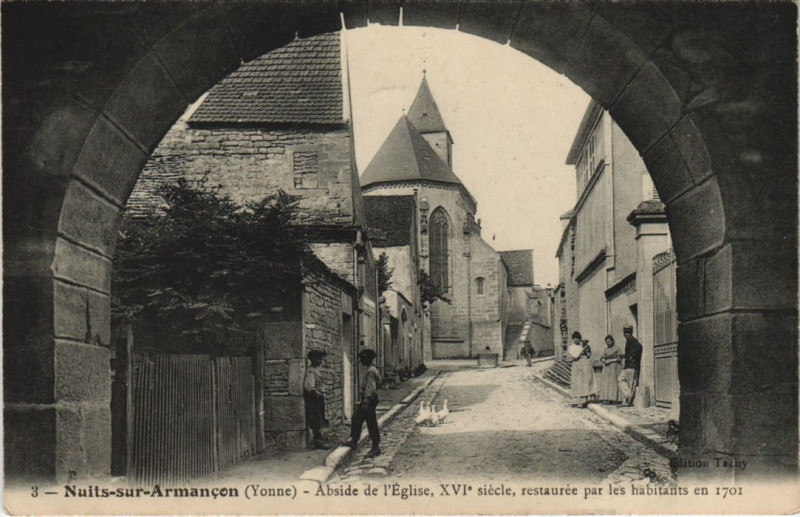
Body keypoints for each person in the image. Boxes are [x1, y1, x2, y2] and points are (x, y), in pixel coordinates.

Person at [341, 349, 383, 458]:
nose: (361, 361)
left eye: (362, 358)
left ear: (367, 359)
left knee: (366, 421)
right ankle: (358, 441)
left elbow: (371, 388)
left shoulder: (370, 371)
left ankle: (372, 446)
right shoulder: (373, 369)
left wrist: (365, 401)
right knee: (362, 419)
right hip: (371, 399)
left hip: (368, 399)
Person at [303, 349, 328, 449]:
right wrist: (316, 393)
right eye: (318, 358)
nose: (321, 360)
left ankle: (320, 439)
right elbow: (308, 386)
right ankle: (318, 441)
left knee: (320, 417)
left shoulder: (316, 370)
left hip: (318, 397)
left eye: (321, 358)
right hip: (313, 398)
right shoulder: (311, 371)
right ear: (313, 359)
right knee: (316, 418)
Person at [567, 331, 595, 408]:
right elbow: (575, 356)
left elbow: (588, 355)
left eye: (578, 338)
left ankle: (586, 400)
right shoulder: (571, 347)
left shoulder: (582, 345)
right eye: (574, 338)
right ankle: (578, 401)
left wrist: (587, 350)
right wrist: (583, 350)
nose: (576, 340)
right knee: (578, 383)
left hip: (585, 365)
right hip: (577, 366)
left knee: (586, 381)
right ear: (573, 339)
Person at [617, 325, 643, 406]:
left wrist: (631, 356)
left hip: (632, 366)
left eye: (627, 333)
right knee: (620, 379)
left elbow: (639, 347)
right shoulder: (629, 341)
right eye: (625, 333)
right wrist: (624, 356)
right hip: (627, 365)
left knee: (630, 383)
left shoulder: (633, 341)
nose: (626, 334)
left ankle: (628, 401)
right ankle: (628, 396)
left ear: (631, 333)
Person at [598, 335, 623, 404]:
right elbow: (602, 357)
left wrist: (610, 361)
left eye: (609, 341)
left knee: (614, 383)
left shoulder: (617, 348)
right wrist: (604, 361)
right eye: (606, 342)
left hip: (615, 367)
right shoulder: (606, 349)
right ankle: (607, 398)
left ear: (612, 341)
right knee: (607, 383)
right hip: (607, 368)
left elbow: (619, 358)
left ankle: (615, 399)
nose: (608, 343)